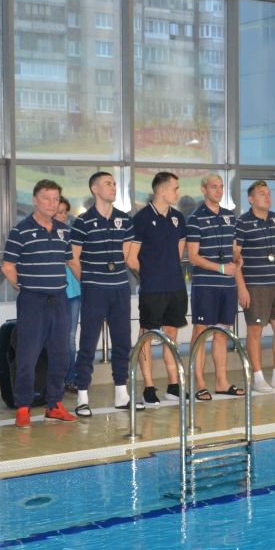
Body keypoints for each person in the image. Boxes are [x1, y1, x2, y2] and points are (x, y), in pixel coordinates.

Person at [0, 179, 78, 427]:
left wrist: (87, 285)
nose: (52, 204)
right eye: (46, 198)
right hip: (32, 301)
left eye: (56, 199)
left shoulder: (64, 230)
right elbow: (7, 266)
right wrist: (20, 285)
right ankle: (23, 407)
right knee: (28, 355)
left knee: (60, 354)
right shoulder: (20, 230)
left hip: (60, 300)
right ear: (35, 200)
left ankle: (54, 404)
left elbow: (71, 261)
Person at [70, 171, 135, 415]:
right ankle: (82, 395)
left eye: (115, 184)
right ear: (95, 189)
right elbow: (73, 258)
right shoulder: (83, 221)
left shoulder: (124, 219)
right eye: (108, 184)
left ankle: (121, 393)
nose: (113, 187)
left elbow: (126, 255)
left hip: (119, 288)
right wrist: (88, 281)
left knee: (122, 341)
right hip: (95, 289)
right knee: (88, 342)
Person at [125, 172, 188, 407]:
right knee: (148, 335)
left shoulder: (178, 218)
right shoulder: (141, 219)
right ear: (161, 190)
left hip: (175, 287)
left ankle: (174, 385)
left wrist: (167, 273)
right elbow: (131, 258)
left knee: (171, 333)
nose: (178, 192)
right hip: (152, 289)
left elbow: (178, 253)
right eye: (175, 188)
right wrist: (150, 277)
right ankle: (149, 387)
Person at [234, 180, 275, 393]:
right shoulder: (242, 223)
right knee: (255, 330)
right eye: (262, 193)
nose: (267, 197)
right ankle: (257, 377)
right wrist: (241, 287)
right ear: (251, 199)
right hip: (255, 285)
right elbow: (235, 257)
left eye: (269, 193)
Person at [184, 173, 243, 401]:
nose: (219, 191)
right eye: (214, 187)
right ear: (203, 189)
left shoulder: (229, 217)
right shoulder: (195, 218)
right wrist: (220, 268)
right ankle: (199, 382)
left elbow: (234, 248)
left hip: (227, 285)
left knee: (222, 332)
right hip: (206, 284)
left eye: (221, 187)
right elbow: (193, 257)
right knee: (201, 332)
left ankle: (221, 381)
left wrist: (237, 258)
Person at [56, 197, 82, 397]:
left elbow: (76, 262)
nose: (63, 216)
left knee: (70, 337)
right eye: (59, 212)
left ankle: (70, 378)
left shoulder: (72, 236)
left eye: (65, 212)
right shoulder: (45, 234)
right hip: (53, 293)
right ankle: (53, 379)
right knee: (52, 337)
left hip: (73, 292)